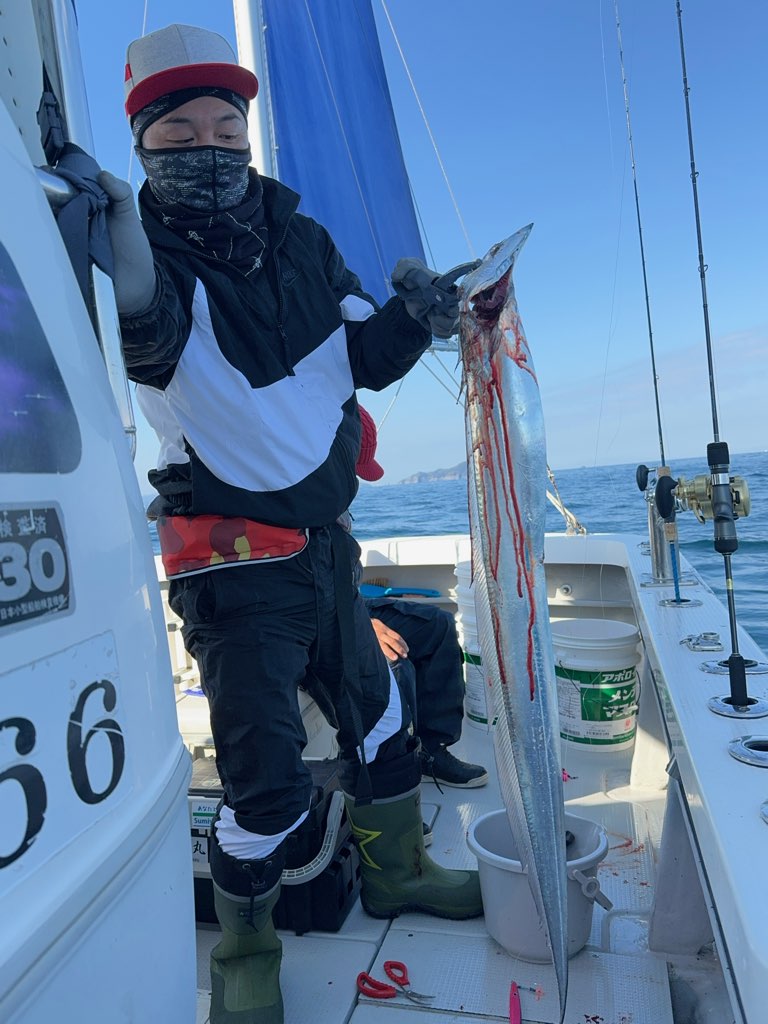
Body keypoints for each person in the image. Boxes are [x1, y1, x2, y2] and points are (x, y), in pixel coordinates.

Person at [101, 23, 482, 1024]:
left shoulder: (305, 239)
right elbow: (146, 333)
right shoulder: (147, 255)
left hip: (326, 550)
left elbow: (363, 355)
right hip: (231, 572)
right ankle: (245, 952)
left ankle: (398, 873)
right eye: (179, 132)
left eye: (227, 128)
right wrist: (112, 240)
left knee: (385, 726)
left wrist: (417, 317)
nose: (210, 146)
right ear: (142, 144)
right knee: (264, 784)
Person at [355, 407, 489, 788]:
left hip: (350, 608)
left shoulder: (329, 499)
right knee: (394, 661)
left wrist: (362, 615)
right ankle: (391, 779)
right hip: (320, 623)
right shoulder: (296, 499)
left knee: (438, 626)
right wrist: (362, 625)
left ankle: (432, 750)